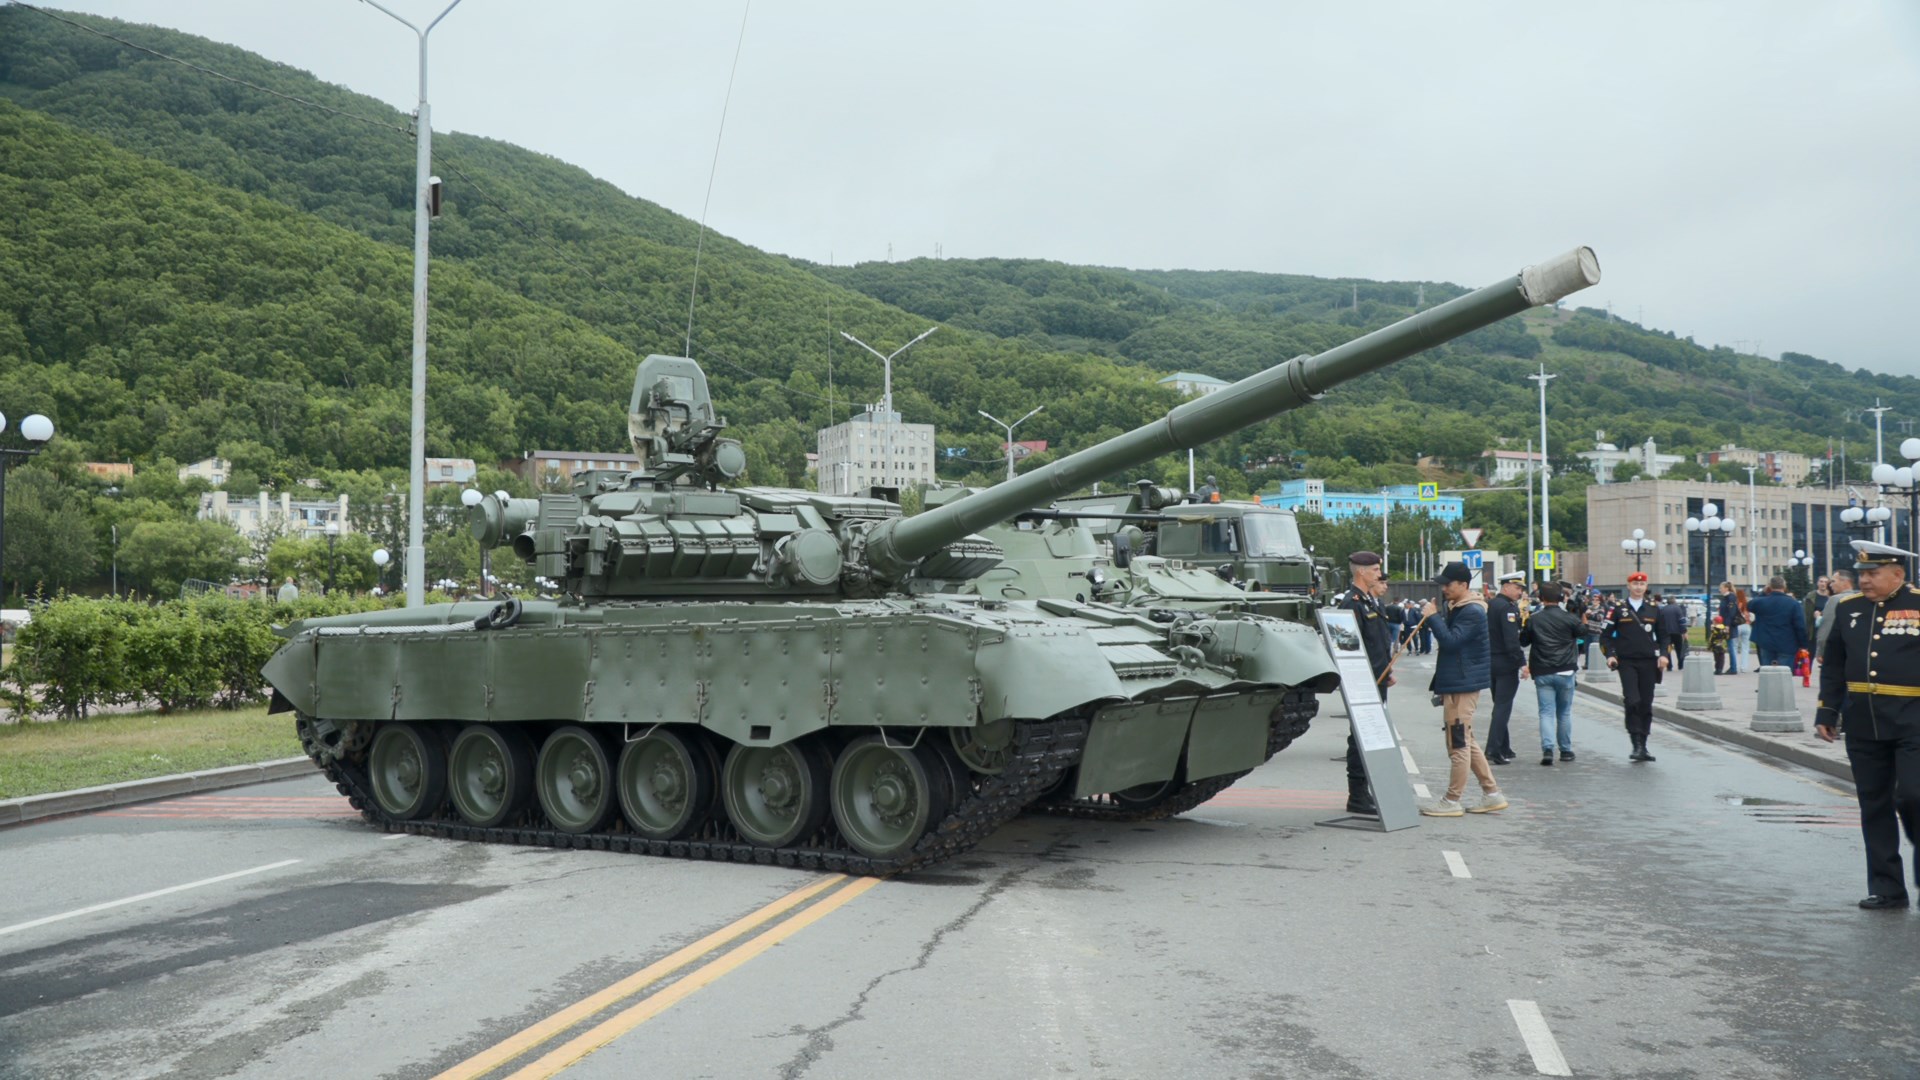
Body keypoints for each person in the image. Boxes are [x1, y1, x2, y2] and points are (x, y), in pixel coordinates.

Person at [1814, 541, 1920, 910]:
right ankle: (1888, 888)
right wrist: (1827, 712)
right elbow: (1834, 664)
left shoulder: (1918, 604)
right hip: (1863, 721)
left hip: (1913, 719)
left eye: (1873, 574)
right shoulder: (1846, 608)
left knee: (1912, 795)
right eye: (1861, 574)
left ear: (1898, 574)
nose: (1865, 580)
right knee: (1873, 805)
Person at [1417, 562, 1507, 817]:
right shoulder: (1461, 607)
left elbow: (1451, 641)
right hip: (1460, 681)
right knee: (1467, 739)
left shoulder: (1472, 612)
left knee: (1457, 742)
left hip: (1462, 683)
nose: (1444, 588)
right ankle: (1492, 793)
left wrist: (1433, 617)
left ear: (1464, 585)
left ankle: (1452, 800)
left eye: (1448, 584)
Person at [1337, 551, 1396, 816]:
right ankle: (1358, 795)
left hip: (1378, 680)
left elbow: (1378, 642)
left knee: (1371, 737)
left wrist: (1387, 670)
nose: (1379, 575)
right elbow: (1347, 649)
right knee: (1360, 738)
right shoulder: (1352, 604)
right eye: (1374, 570)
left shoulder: (1372, 602)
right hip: (1363, 683)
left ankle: (1368, 791)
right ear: (1361, 572)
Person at [1602, 571, 1668, 762]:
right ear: (1628, 586)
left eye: (1642, 584)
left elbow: (1664, 636)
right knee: (1632, 700)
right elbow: (1605, 636)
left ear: (1646, 587)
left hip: (1649, 661)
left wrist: (1664, 655)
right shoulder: (1617, 609)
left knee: (1646, 702)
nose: (1639, 587)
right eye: (1635, 584)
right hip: (1627, 662)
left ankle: (1644, 743)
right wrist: (1610, 655)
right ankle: (1635, 743)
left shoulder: (1654, 609)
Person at [1521, 580, 1582, 765]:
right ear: (1562, 597)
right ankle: (1565, 750)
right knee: (1564, 713)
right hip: (1565, 670)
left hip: (1543, 670)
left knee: (1546, 713)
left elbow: (1523, 641)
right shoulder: (1569, 618)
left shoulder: (1534, 618)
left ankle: (1548, 749)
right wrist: (1575, 611)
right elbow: (1583, 631)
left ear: (1540, 598)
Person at [1483, 572, 1528, 764]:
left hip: (1490, 661)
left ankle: (1504, 746)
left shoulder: (1491, 604)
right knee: (1503, 707)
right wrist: (1522, 663)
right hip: (1505, 663)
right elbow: (1511, 641)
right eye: (1517, 588)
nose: (1519, 593)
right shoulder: (1508, 609)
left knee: (1499, 705)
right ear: (1506, 587)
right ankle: (1493, 749)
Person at [1747, 575, 1809, 669]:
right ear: (1784, 587)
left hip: (1766, 643)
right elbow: (1800, 626)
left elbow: (1750, 605)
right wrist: (1803, 644)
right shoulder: (1793, 604)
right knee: (1784, 675)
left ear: (1769, 587)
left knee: (1768, 674)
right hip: (1787, 644)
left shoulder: (1761, 602)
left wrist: (1763, 592)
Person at [1717, 582, 1746, 673]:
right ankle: (1727, 667)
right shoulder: (1725, 598)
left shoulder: (1731, 598)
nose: (1720, 589)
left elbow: (1731, 613)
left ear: (1726, 588)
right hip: (1724, 625)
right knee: (1728, 646)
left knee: (1731, 647)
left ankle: (1733, 668)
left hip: (1728, 626)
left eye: (1721, 588)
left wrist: (1727, 626)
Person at [1658, 593, 1690, 669]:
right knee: (1679, 649)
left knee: (1668, 649)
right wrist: (1684, 631)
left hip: (1666, 633)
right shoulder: (1678, 609)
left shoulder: (1663, 609)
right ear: (1674, 601)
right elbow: (1682, 621)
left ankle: (1669, 666)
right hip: (1676, 632)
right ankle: (1680, 665)